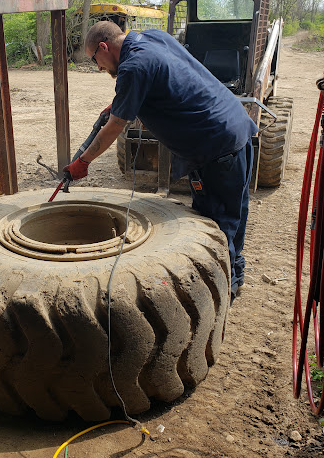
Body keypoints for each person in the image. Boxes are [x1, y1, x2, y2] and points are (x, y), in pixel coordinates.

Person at [63, 20, 258, 304]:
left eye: (96, 59)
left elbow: (116, 125)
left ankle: (218, 298)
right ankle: (235, 276)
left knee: (217, 226)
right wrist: (125, 98)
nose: (99, 68)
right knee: (235, 215)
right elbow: (165, 76)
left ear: (104, 47)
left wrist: (83, 161)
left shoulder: (132, 68)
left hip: (215, 149)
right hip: (237, 127)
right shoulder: (153, 37)